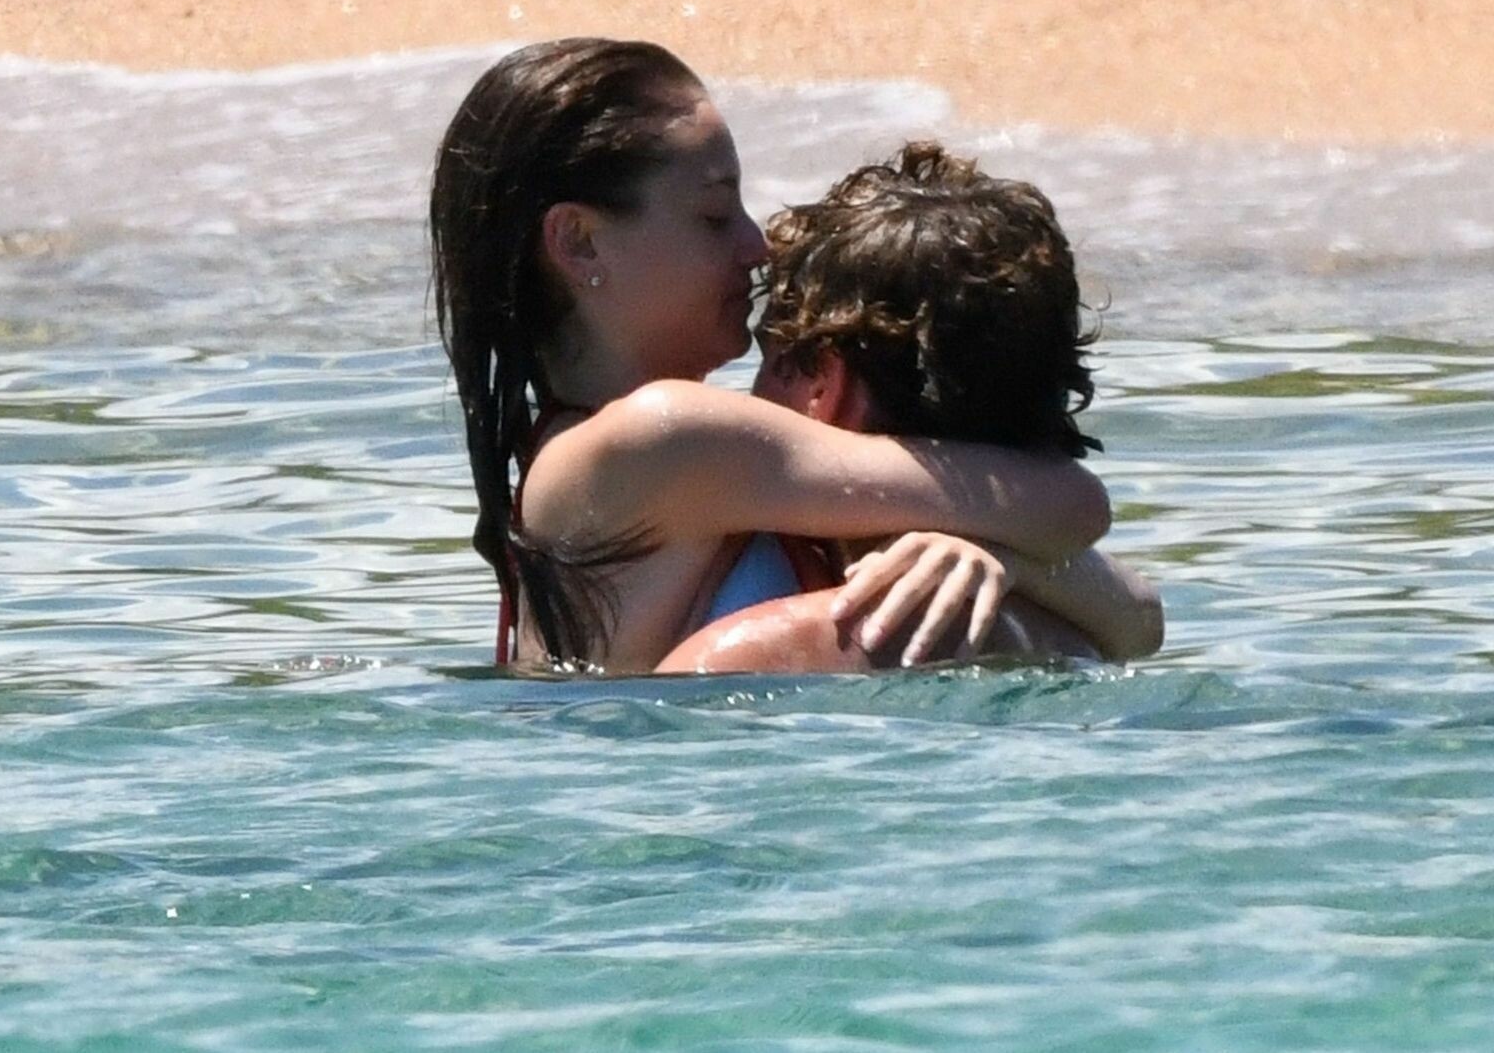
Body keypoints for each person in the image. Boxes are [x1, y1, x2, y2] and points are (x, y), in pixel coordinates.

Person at [429, 38, 1111, 674]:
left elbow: (1134, 609)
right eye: (714, 215)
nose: (757, 247)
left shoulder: (682, 460)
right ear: (579, 241)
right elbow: (1072, 503)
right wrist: (1007, 554)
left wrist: (996, 560)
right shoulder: (663, 436)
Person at [657, 141, 1163, 675]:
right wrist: (1023, 565)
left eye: (771, 357)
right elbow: (1145, 617)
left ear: (823, 386)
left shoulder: (750, 648)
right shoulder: (1082, 634)